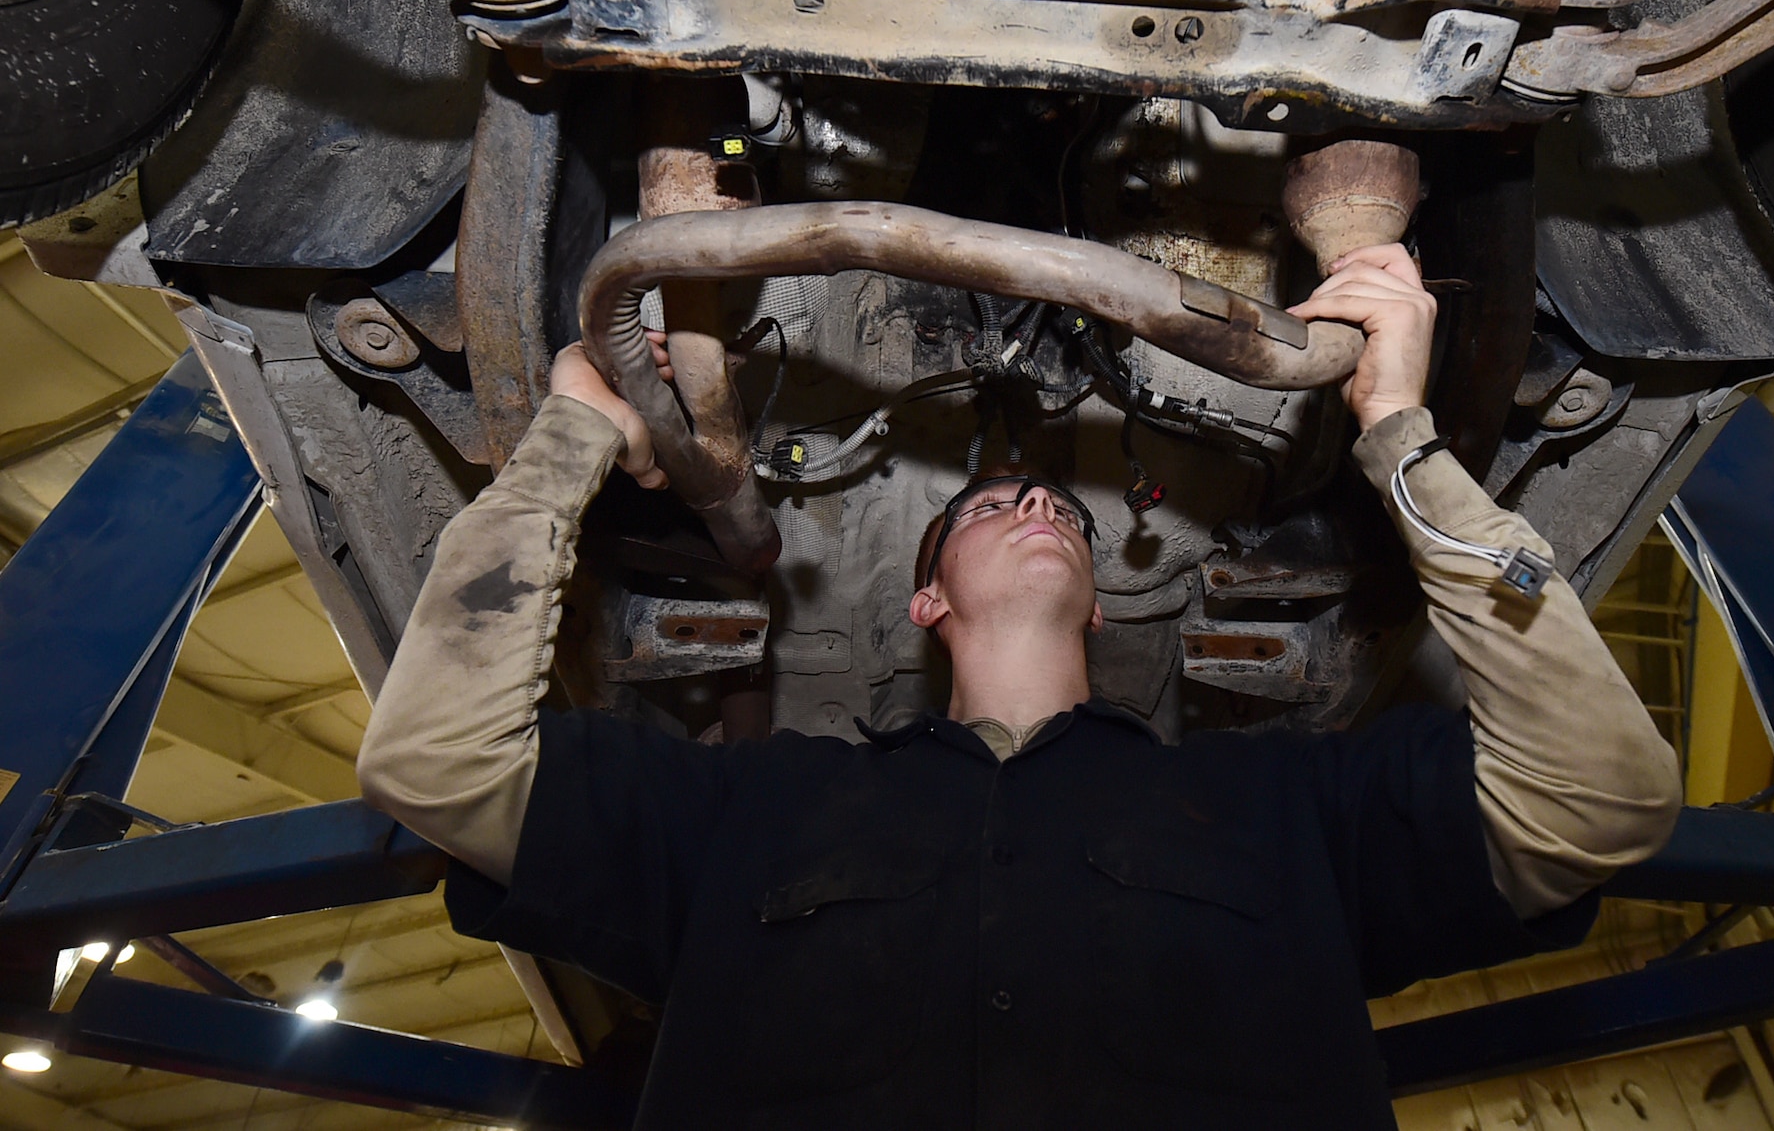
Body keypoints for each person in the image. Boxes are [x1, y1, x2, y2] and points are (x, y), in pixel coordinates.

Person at [357, 244, 1683, 1130]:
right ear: (925, 600)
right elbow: (436, 766)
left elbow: (1602, 798)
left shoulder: (1291, 813)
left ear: (1102, 604)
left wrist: (1402, 440)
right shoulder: (746, 817)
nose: (1041, 491)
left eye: (1056, 503)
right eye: (998, 501)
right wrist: (570, 446)